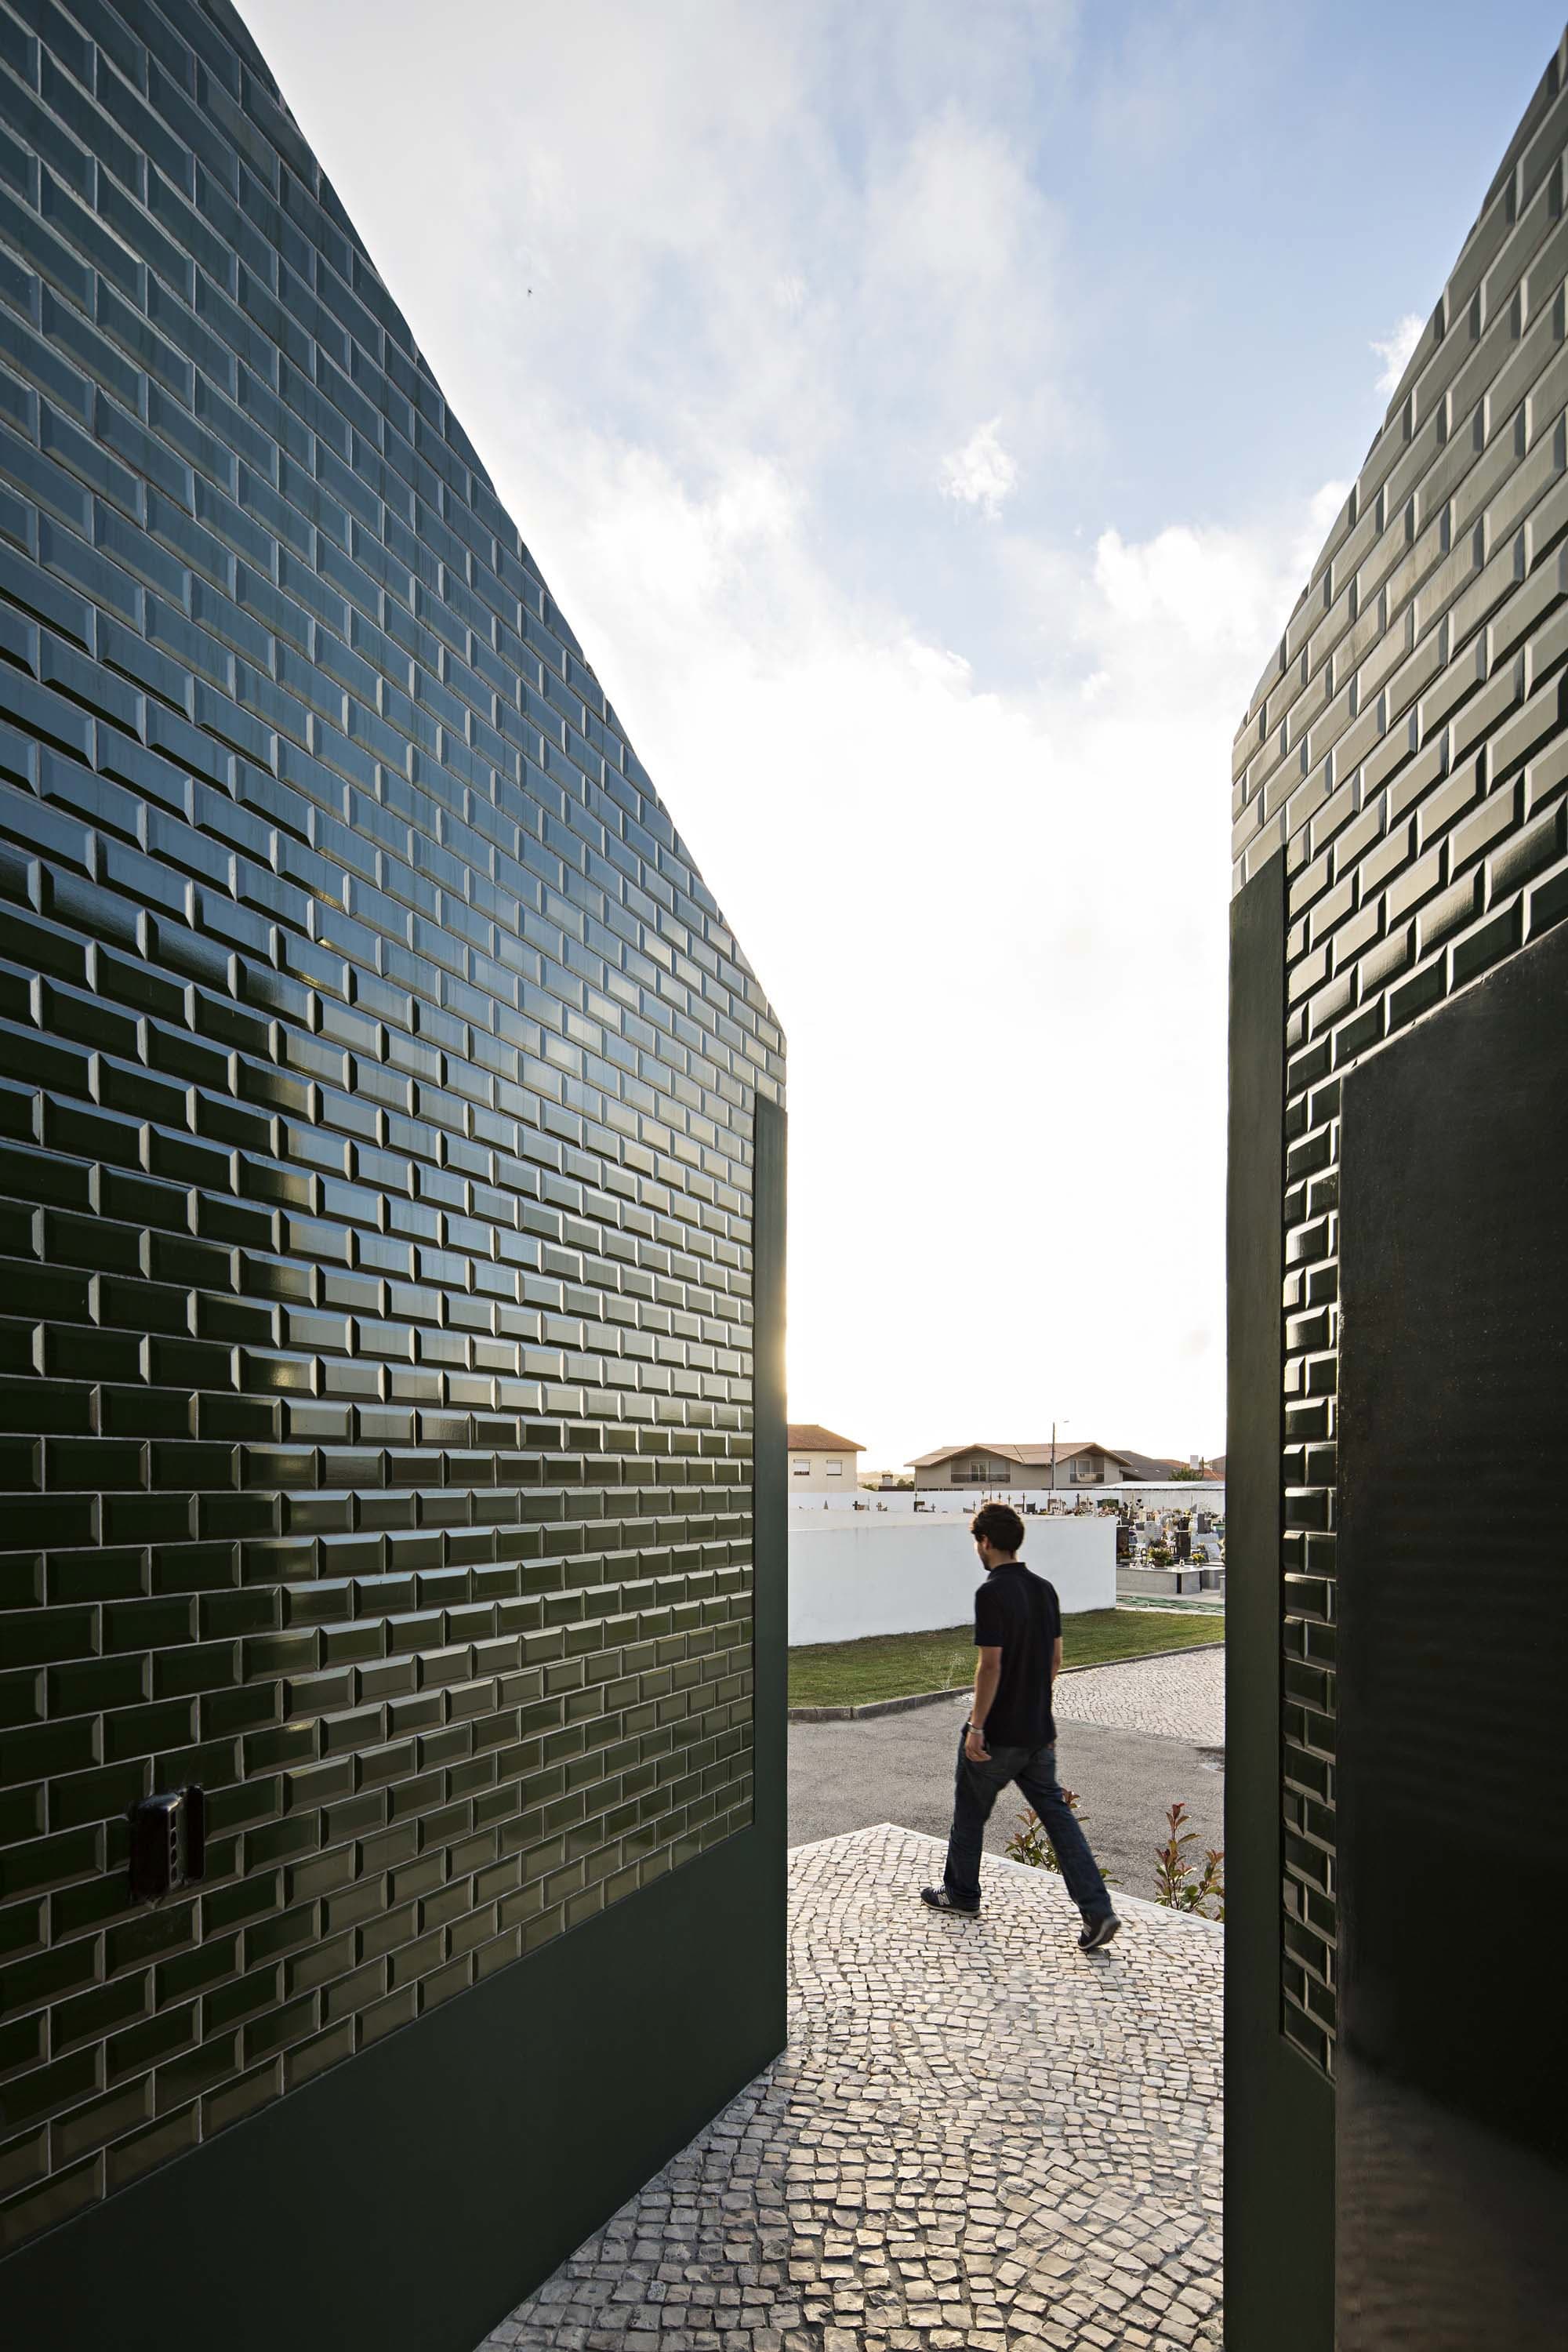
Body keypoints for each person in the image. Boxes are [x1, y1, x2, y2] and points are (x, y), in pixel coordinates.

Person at [921, 1501, 1120, 1953]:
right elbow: (1055, 1660)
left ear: (986, 1542)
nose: (978, 1548)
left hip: (998, 1734)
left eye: (978, 1541)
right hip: (1038, 1732)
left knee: (969, 1814)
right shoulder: (1044, 1589)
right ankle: (1097, 1910)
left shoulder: (991, 1593)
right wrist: (1033, 1706)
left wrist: (977, 1726)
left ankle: (961, 1894)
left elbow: (990, 1666)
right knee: (1059, 1819)